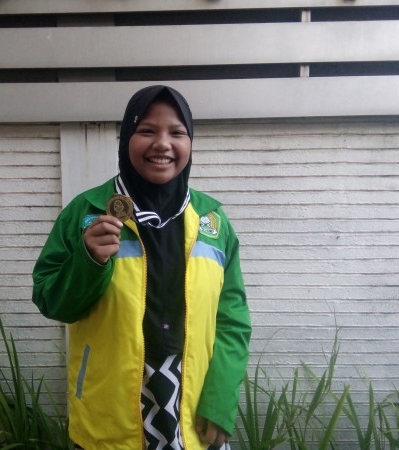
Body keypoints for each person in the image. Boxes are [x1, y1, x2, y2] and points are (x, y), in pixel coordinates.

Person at [32, 85, 251, 450]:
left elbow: (233, 321)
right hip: (110, 404)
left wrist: (220, 399)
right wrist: (89, 261)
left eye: (177, 133)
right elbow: (51, 301)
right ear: (126, 139)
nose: (162, 144)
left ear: (190, 142)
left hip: (193, 398)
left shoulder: (213, 222)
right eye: (147, 130)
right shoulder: (85, 213)